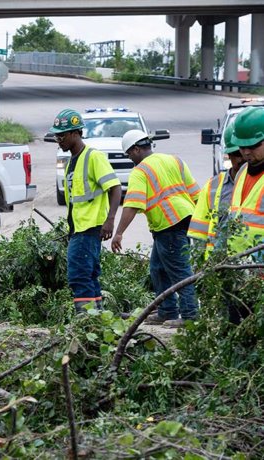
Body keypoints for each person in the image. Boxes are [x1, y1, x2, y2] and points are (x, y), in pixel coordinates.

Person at [111, 130, 201, 327]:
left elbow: (133, 204)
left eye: (128, 155)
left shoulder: (140, 171)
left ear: (135, 149)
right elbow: (196, 193)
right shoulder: (174, 160)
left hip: (169, 224)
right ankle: (167, 311)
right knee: (158, 269)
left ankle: (190, 315)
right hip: (183, 219)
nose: (130, 159)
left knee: (180, 271)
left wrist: (118, 233)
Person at [50, 109, 122, 313]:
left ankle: (85, 321)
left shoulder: (93, 157)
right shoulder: (70, 163)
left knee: (79, 276)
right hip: (79, 230)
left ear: (75, 133)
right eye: (56, 135)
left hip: (89, 229)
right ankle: (96, 320)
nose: (58, 140)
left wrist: (110, 220)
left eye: (61, 135)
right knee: (88, 275)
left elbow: (115, 187)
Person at [223, 106, 264, 323]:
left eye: (253, 146)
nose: (246, 152)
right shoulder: (241, 173)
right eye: (242, 147)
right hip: (238, 271)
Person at [188, 123, 246, 257]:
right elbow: (199, 231)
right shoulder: (213, 186)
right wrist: (200, 264)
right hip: (218, 264)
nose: (243, 158)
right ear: (229, 156)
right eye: (237, 154)